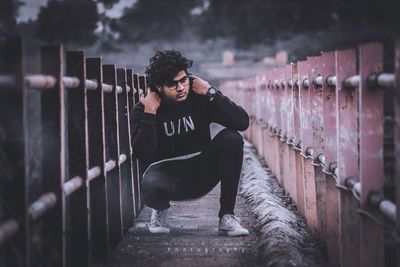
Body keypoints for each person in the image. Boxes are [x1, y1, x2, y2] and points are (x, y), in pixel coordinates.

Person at [131, 50, 250, 236]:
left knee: (232, 138)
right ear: (158, 87)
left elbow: (242, 122)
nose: (180, 88)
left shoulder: (200, 99)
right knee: (152, 177)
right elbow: (143, 155)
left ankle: (227, 216)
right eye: (172, 84)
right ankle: (159, 210)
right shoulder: (144, 110)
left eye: (183, 80)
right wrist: (150, 113)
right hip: (166, 182)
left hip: (199, 175)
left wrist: (211, 92)